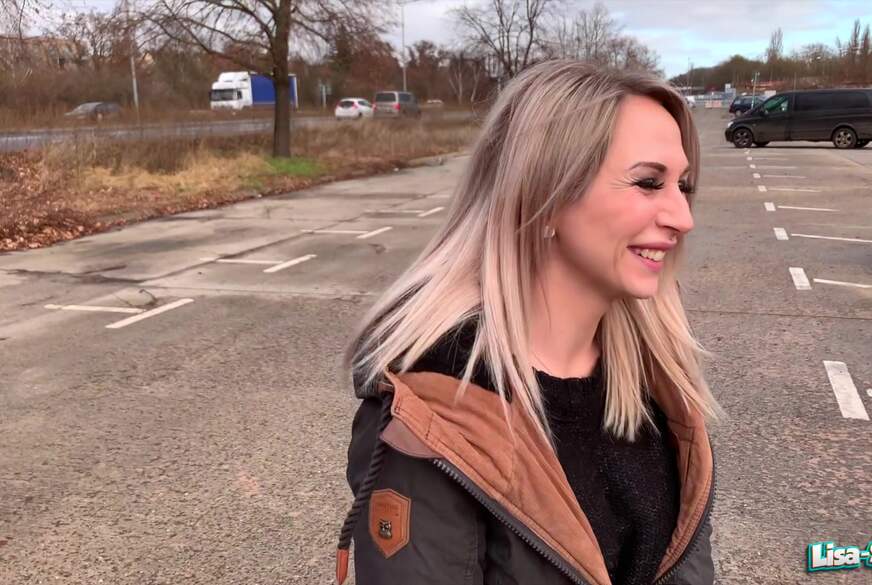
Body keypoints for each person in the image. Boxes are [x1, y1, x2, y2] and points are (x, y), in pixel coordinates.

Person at [334, 60, 723, 585]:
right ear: (545, 195)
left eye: (683, 185)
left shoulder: (661, 380)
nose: (683, 218)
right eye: (649, 183)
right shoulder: (433, 412)